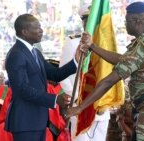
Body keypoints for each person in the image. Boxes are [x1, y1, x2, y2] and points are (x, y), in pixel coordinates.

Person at [66, 2, 144, 141]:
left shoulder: (143, 46)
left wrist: (81, 107)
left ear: (137, 21)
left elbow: (109, 81)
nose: (124, 24)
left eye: (127, 20)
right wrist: (93, 47)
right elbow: (122, 59)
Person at [4, 14, 81, 141]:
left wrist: (75, 61)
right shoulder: (16, 54)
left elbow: (54, 74)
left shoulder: (35, 52)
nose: (41, 30)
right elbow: (23, 89)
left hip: (37, 119)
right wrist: (55, 99)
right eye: (37, 27)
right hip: (25, 121)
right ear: (24, 32)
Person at [59, 7, 110, 141]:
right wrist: (76, 98)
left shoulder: (106, 44)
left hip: (101, 107)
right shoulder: (73, 42)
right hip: (80, 105)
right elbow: (63, 75)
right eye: (88, 20)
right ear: (83, 22)